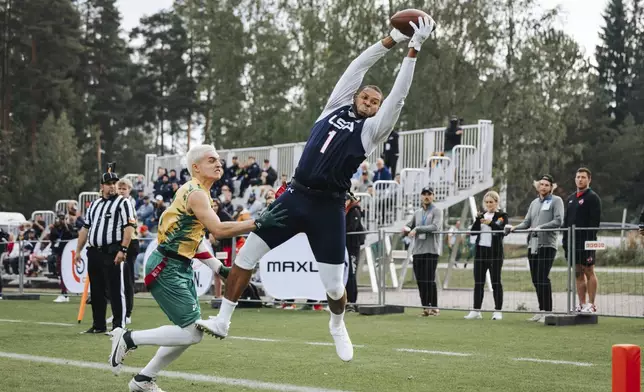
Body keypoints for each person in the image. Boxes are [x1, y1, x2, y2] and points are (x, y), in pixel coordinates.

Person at [195, 16, 436, 362]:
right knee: (246, 257)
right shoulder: (335, 105)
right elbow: (358, 65)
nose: (369, 103)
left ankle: (337, 323)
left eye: (374, 103)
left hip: (328, 207)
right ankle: (222, 320)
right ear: (355, 96)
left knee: (335, 287)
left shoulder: (372, 131)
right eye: (365, 97)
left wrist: (413, 50)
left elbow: (398, 97)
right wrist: (393, 39)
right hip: (294, 197)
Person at [106, 145, 286, 392]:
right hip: (166, 266)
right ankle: (128, 338)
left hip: (176, 265)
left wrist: (217, 267)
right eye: (212, 160)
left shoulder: (199, 193)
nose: (219, 163)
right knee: (192, 333)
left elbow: (193, 238)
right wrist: (258, 223)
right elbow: (219, 230)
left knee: (186, 332)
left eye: (219, 160)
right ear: (195, 167)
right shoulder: (197, 193)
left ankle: (143, 379)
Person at [75, 163, 136, 333]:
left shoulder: (123, 203)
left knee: (117, 290)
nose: (113, 186)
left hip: (112, 250)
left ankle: (119, 325)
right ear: (102, 186)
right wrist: (78, 251)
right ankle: (98, 325)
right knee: (97, 290)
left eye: (115, 183)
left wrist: (123, 249)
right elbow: (85, 228)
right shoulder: (94, 205)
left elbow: (129, 227)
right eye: (109, 184)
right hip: (94, 251)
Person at [509, 174, 564, 322]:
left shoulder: (556, 201)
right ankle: (541, 310)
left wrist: (541, 227)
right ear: (538, 186)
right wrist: (514, 228)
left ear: (551, 187)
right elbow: (527, 222)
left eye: (547, 185)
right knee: (535, 279)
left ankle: (548, 311)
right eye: (542, 184)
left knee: (542, 277)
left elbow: (559, 220)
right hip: (532, 245)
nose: (544, 187)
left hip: (547, 245)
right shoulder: (534, 203)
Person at [562, 167, 602, 313]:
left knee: (589, 270)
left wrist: (590, 244)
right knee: (578, 272)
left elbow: (594, 223)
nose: (580, 179)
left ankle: (591, 304)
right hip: (572, 243)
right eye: (578, 177)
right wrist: (565, 241)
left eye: (583, 177)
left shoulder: (593, 198)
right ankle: (582, 303)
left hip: (587, 242)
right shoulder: (571, 199)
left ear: (589, 179)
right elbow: (566, 222)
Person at [464, 191, 508, 320]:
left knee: (496, 282)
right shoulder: (482, 215)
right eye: (487, 202)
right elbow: (473, 232)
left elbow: (500, 231)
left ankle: (498, 310)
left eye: (491, 202)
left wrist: (490, 223)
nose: (489, 205)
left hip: (495, 253)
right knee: (478, 282)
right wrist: (478, 220)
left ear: (496, 202)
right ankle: (476, 310)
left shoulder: (502, 215)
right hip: (480, 252)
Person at [402, 186, 443, 316]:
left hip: (431, 250)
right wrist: (405, 229)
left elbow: (435, 226)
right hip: (418, 251)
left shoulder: (437, 211)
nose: (426, 196)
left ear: (433, 196)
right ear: (421, 196)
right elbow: (410, 225)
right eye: (424, 194)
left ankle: (434, 307)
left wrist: (418, 229)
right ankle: (425, 307)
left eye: (429, 194)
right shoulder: (417, 212)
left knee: (429, 279)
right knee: (420, 280)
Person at [115, 178, 138, 325]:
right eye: (120, 188)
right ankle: (119, 311)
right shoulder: (115, 203)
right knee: (117, 280)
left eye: (125, 189)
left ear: (129, 190)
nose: (122, 191)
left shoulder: (129, 204)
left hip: (130, 243)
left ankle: (127, 312)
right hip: (119, 242)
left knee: (127, 280)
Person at [345, 193, 365, 311]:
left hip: (353, 246)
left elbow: (352, 227)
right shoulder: (345, 211)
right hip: (346, 245)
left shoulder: (354, 211)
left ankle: (352, 301)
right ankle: (347, 300)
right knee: (346, 274)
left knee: (351, 274)